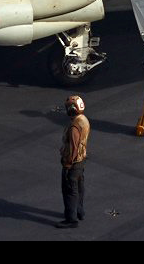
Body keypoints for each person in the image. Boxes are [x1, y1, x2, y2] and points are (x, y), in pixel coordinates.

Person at [56, 95, 89, 229]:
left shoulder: (74, 126)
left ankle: (71, 219)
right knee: (79, 188)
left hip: (73, 163)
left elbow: (73, 147)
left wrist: (68, 163)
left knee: (69, 190)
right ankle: (80, 211)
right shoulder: (84, 120)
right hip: (81, 161)